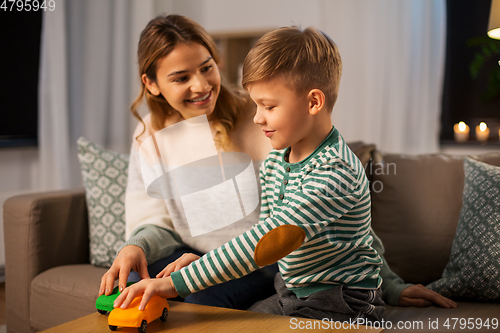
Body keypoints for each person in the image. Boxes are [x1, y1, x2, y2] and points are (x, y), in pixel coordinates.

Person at [100, 14, 457, 311]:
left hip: (284, 269)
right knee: (139, 286)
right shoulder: (273, 146)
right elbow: (159, 220)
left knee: (196, 298)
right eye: (180, 78)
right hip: (254, 267)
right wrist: (140, 247)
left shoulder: (292, 140)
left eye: (206, 67)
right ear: (152, 84)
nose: (201, 85)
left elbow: (287, 233)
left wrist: (390, 284)